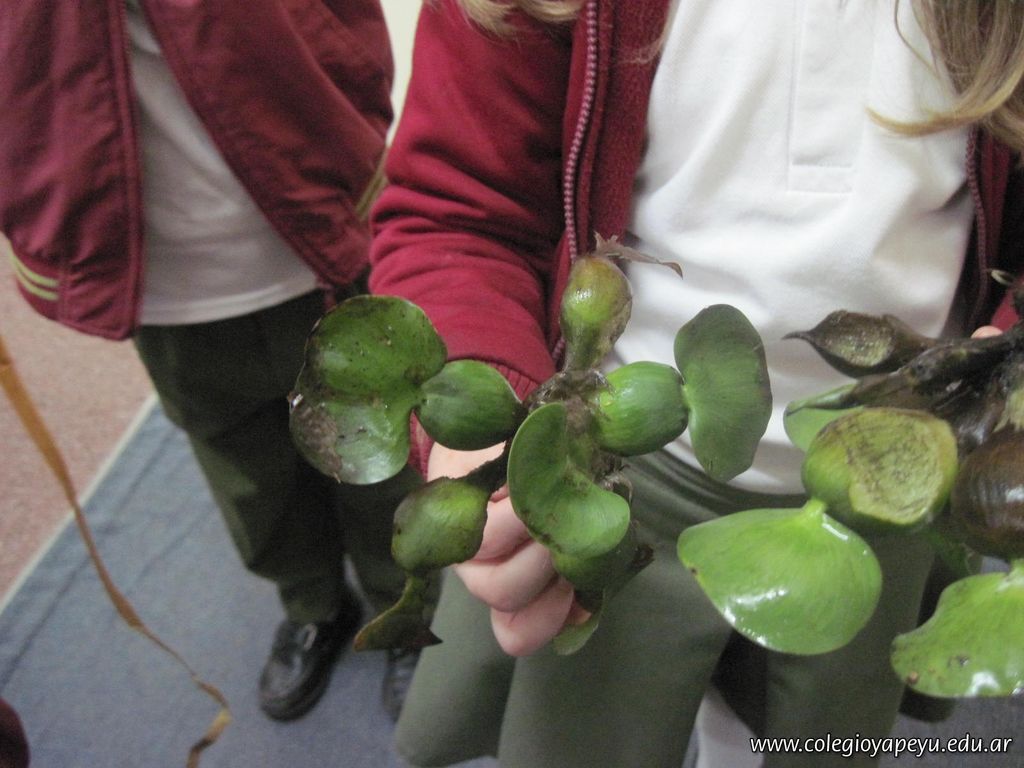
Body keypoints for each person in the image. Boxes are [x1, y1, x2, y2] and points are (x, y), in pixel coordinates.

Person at [368, 0, 1024, 765]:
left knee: (807, 735)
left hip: (900, 481)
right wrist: (484, 405)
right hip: (612, 472)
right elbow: (460, 209)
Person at [0, 0, 420, 722]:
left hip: (313, 214)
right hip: (161, 276)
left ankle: (405, 608)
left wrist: (356, 110)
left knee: (376, 448)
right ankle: (312, 602)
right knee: (246, 471)